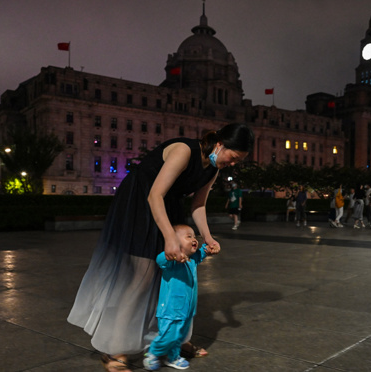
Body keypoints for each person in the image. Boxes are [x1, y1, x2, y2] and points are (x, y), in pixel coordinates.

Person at [67, 123, 254, 372]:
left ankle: (169, 341)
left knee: (169, 279)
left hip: (168, 208)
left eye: (238, 161)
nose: (233, 164)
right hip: (141, 206)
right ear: (220, 145)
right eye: (234, 157)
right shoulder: (184, 151)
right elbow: (155, 195)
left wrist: (208, 237)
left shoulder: (213, 170)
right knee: (141, 280)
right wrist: (169, 237)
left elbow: (198, 205)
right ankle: (115, 350)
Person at [144, 225, 211, 371]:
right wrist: (173, 254)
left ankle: (173, 357)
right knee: (169, 335)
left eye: (194, 236)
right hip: (171, 309)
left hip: (186, 309)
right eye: (189, 236)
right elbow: (160, 259)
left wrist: (208, 247)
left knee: (178, 336)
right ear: (174, 241)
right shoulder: (171, 261)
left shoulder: (191, 259)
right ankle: (152, 353)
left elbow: (201, 254)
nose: (194, 239)